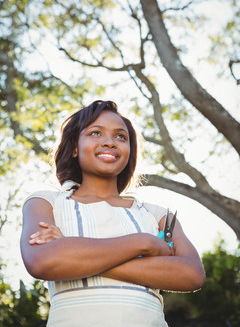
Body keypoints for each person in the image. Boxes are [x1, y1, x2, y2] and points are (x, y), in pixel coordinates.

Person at [20, 100, 205, 327]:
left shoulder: (158, 215)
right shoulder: (46, 202)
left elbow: (191, 275)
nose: (109, 142)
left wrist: (72, 256)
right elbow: (42, 261)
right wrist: (143, 243)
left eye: (121, 137)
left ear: (130, 151)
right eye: (96, 133)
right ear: (75, 147)